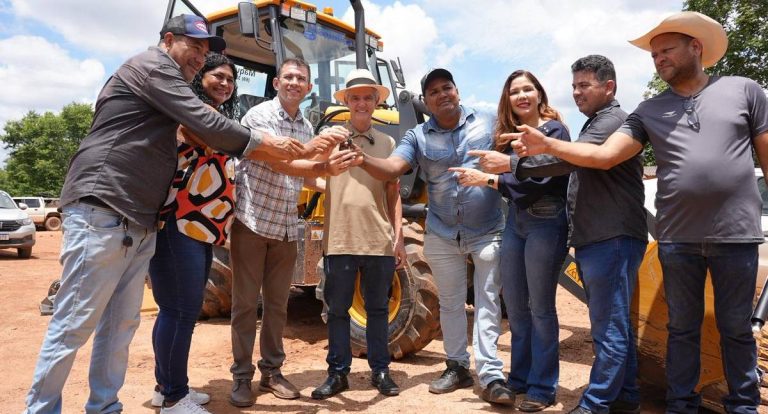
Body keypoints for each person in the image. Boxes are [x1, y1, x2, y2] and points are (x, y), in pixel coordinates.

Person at [23, 14, 305, 414]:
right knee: (75, 323)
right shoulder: (153, 68)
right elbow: (209, 127)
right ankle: (42, 409)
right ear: (168, 39)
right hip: (106, 203)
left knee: (120, 325)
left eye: (207, 51)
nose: (201, 58)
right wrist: (274, 144)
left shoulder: (175, 90)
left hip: (140, 217)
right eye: (196, 48)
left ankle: (104, 405)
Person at [511, 12, 768, 414]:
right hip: (677, 238)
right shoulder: (647, 111)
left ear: (696, 47)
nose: (659, 59)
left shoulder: (745, 90)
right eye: (654, 54)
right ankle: (681, 406)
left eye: (667, 50)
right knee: (681, 331)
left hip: (735, 235)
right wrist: (548, 147)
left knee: (735, 330)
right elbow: (603, 155)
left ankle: (744, 407)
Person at [475, 55, 648, 413]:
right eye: (574, 86)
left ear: (609, 87)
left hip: (605, 234)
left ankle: (589, 403)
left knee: (604, 327)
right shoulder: (592, 124)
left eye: (584, 85)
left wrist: (507, 168)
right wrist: (512, 171)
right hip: (589, 233)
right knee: (607, 324)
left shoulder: (608, 122)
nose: (577, 92)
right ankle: (625, 398)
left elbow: (558, 168)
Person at [357, 68, 514, 406]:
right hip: (442, 232)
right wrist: (362, 158)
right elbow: (393, 168)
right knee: (451, 303)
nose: (443, 94)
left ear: (457, 90)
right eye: (434, 92)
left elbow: (516, 151)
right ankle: (457, 366)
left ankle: (490, 375)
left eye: (448, 87)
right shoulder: (417, 136)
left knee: (488, 302)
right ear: (426, 102)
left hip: (487, 230)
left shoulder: (488, 120)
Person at [228, 58, 354, 407]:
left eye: (302, 78)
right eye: (289, 77)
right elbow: (277, 160)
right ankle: (241, 376)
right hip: (252, 223)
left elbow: (307, 176)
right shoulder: (259, 117)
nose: (295, 82)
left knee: (278, 306)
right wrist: (322, 155)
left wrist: (345, 183)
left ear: (309, 88)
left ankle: (271, 372)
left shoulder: (306, 125)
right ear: (277, 83)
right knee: (243, 307)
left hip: (286, 227)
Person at [451, 70, 570, 412]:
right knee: (516, 305)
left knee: (541, 307)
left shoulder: (553, 130)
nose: (522, 95)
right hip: (517, 222)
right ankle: (519, 376)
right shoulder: (508, 137)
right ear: (508, 100)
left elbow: (539, 180)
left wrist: (490, 178)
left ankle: (543, 386)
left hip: (546, 220)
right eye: (515, 91)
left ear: (539, 94)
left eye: (527, 89)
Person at [147, 52, 241, 414]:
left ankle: (166, 387)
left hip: (203, 228)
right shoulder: (190, 113)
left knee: (179, 310)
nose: (225, 84)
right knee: (179, 310)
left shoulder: (216, 118)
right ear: (199, 77)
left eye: (230, 79)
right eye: (217, 76)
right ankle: (173, 396)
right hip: (179, 222)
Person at [309, 69, 407, 400]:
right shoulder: (331, 137)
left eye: (368, 97)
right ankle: (338, 373)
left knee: (378, 309)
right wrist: (330, 185)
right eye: (355, 97)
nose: (362, 103)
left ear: (377, 102)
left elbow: (393, 191)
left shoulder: (389, 142)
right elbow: (310, 176)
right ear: (347, 102)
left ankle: (380, 371)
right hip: (339, 238)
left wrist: (399, 236)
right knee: (336, 309)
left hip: (378, 239)